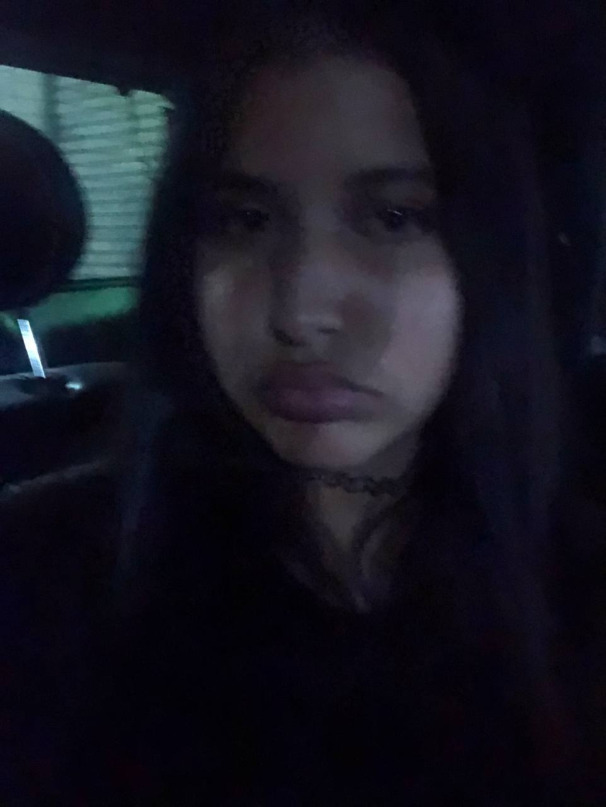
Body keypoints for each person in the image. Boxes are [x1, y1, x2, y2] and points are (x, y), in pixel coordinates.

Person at [85, 1, 606, 804]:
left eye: (394, 218)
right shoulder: (61, 592)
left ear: (494, 254)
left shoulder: (577, 587)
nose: (300, 310)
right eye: (246, 220)